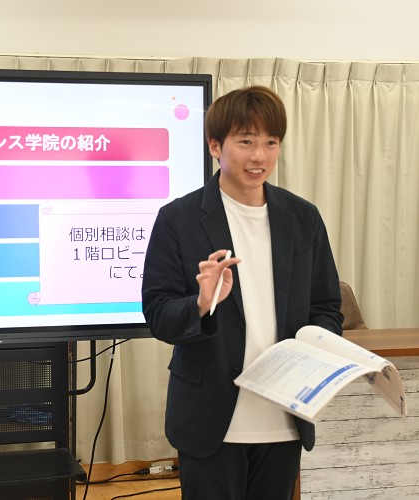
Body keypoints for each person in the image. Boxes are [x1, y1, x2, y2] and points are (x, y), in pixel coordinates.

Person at [141, 86, 343, 500]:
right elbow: (159, 315)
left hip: (284, 414)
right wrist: (201, 303)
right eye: (246, 142)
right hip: (210, 417)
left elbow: (326, 306)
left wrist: (316, 350)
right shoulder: (178, 219)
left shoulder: (303, 217)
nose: (260, 156)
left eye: (271, 142)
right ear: (215, 145)